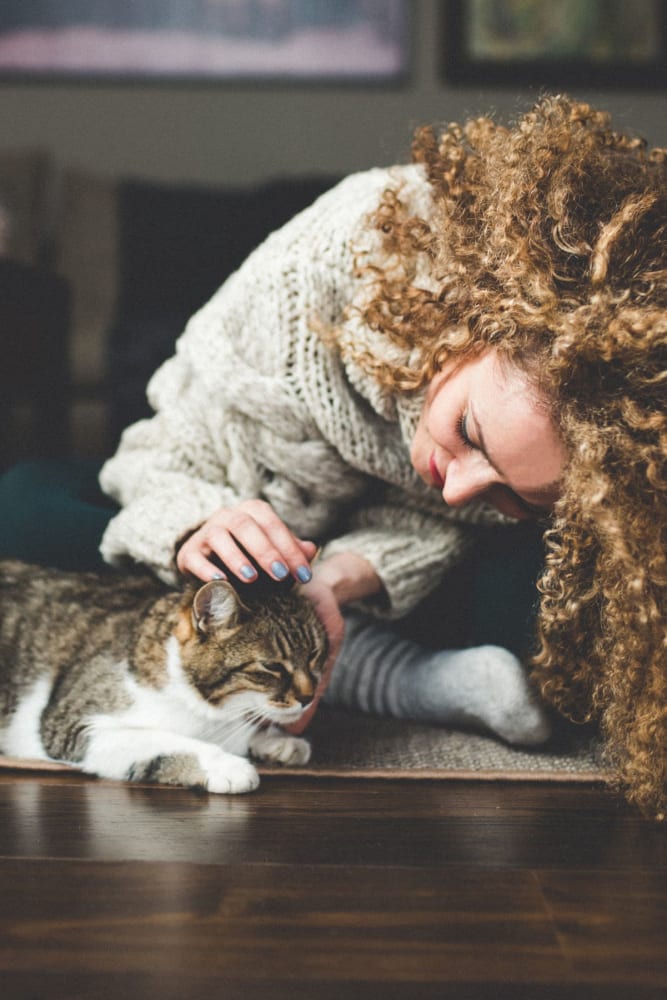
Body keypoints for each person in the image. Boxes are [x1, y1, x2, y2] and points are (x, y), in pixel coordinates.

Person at [1, 95, 664, 816]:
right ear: (480, 319)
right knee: (27, 507)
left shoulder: (589, 448)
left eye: (515, 493)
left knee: (555, 601)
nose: (457, 488)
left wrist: (344, 577)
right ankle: (410, 678)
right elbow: (153, 455)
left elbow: (447, 524)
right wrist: (200, 526)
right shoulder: (323, 270)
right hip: (240, 570)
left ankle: (367, 661)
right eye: (470, 433)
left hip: (367, 587)